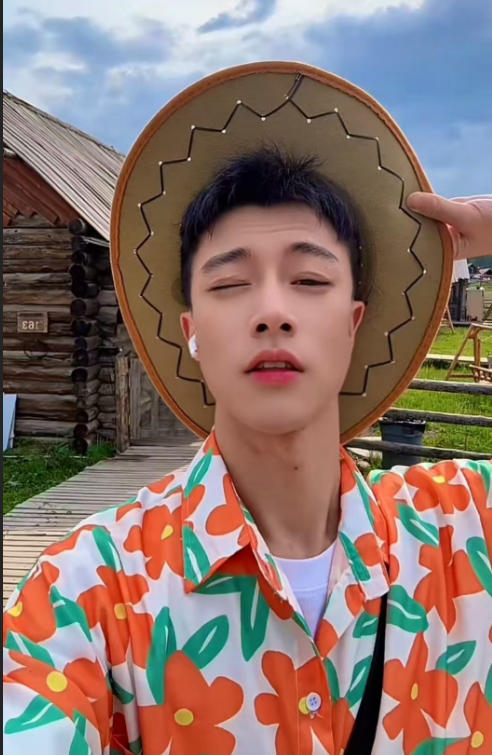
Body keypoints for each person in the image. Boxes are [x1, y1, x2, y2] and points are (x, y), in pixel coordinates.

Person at [3, 63, 491, 755]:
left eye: (309, 279)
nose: (271, 311)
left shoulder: (466, 529)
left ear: (354, 324)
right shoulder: (87, 591)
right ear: (191, 332)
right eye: (230, 283)